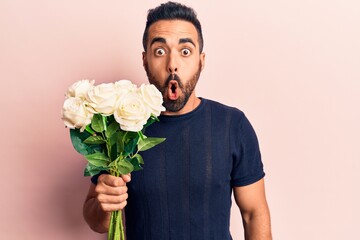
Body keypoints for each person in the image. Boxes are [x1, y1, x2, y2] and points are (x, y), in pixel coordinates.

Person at [83, 2, 272, 239]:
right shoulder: (119, 129)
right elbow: (96, 221)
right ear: (145, 60)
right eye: (160, 51)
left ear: (201, 60)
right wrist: (103, 205)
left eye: (185, 51)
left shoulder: (232, 125)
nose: (172, 64)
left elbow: (253, 213)